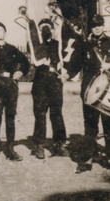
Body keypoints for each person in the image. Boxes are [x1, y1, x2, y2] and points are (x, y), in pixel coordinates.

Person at [75, 15, 110, 173]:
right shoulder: (85, 44)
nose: (97, 28)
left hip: (109, 90)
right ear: (90, 28)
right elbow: (76, 62)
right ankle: (87, 159)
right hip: (90, 89)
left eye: (99, 25)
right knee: (90, 126)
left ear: (104, 26)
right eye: (94, 26)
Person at [0, 22, 30, 163]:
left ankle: (10, 149)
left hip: (10, 86)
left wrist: (20, 72)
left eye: (0, 30)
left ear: (5, 33)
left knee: (10, 118)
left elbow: (25, 62)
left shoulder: (12, 49)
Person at [30, 19, 71, 160]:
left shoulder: (58, 45)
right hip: (40, 83)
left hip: (54, 82)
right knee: (40, 114)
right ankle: (39, 145)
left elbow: (65, 60)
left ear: (53, 30)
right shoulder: (36, 45)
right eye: (42, 28)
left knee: (57, 114)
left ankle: (59, 144)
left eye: (48, 28)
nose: (46, 30)